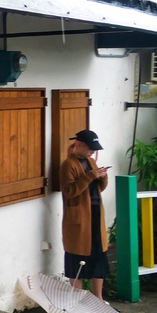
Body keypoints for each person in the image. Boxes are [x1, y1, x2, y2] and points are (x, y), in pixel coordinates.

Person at [60, 129, 110, 301]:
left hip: (95, 213)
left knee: (98, 253)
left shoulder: (90, 161)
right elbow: (70, 191)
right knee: (77, 256)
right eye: (90, 148)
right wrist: (89, 176)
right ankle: (76, 299)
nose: (92, 152)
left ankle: (98, 298)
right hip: (79, 218)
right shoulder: (68, 164)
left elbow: (98, 188)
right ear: (79, 145)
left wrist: (102, 177)